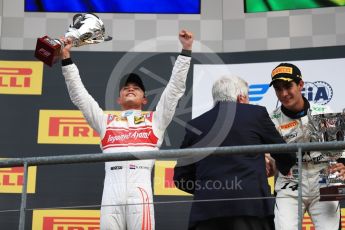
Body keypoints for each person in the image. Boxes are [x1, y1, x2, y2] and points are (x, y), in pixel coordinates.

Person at [60, 30, 193, 230]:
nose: (130, 89)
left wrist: (186, 51)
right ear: (119, 99)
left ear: (144, 99)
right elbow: (80, 96)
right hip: (110, 193)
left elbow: (174, 90)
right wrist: (66, 59)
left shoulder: (155, 120)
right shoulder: (105, 121)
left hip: (140, 190)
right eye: (125, 88)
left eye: (136, 88)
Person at [173, 76, 296, 230]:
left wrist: (209, 188)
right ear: (241, 97)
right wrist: (279, 166)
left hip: (206, 213)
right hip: (251, 209)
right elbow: (286, 154)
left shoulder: (195, 124)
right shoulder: (255, 113)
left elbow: (181, 177)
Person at [269, 63, 345, 230]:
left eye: (288, 86)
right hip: (290, 183)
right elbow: (268, 158)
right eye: (278, 89)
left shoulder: (323, 110)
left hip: (323, 180)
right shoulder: (272, 119)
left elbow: (339, 150)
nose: (284, 94)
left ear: (301, 85)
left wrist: (343, 163)